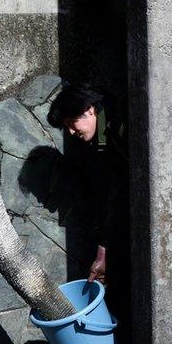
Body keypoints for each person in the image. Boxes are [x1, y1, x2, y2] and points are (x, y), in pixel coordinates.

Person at [46, 82, 128, 285]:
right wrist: (103, 251)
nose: (71, 133)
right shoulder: (103, 137)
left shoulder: (123, 117)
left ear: (88, 109)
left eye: (70, 124)